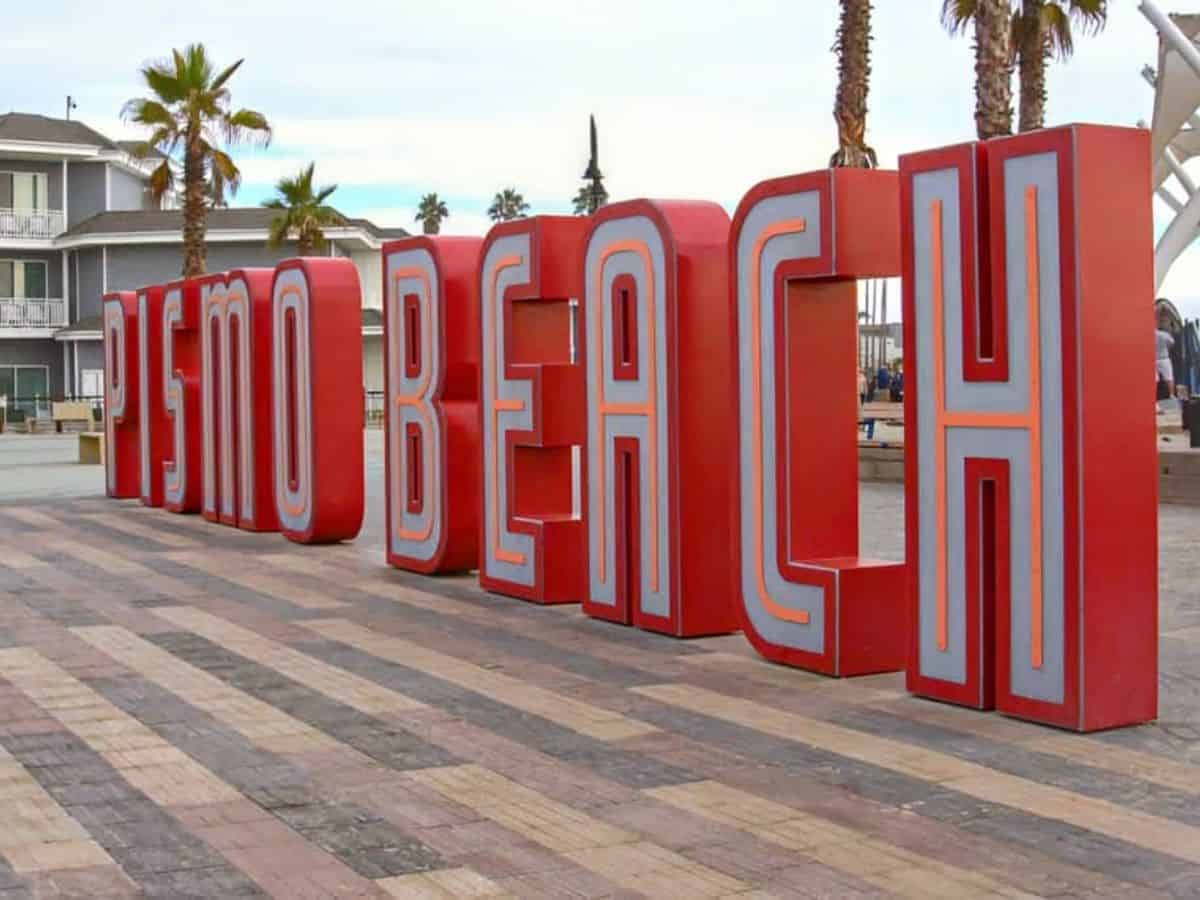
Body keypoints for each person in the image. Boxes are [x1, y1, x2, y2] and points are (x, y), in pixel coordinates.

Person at [1157, 308, 1176, 409]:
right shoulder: (1165, 335)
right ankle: (1171, 396)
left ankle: (1153, 398)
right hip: (1164, 359)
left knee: (1154, 380)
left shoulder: (1151, 334)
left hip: (1153, 360)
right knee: (1169, 378)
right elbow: (1172, 344)